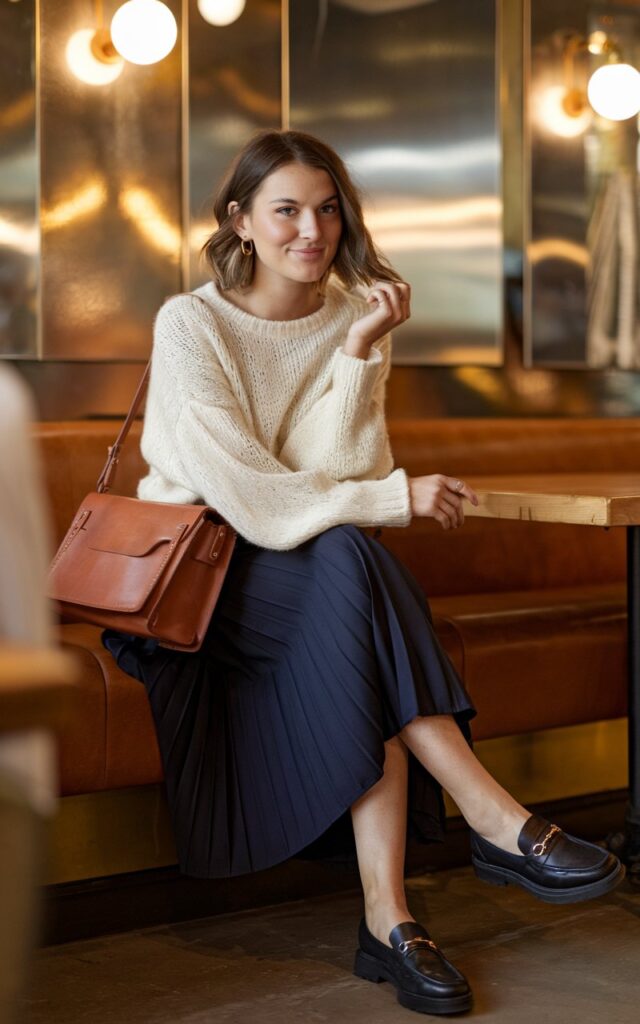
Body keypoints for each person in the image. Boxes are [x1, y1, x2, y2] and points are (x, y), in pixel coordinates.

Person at [102, 130, 624, 1016]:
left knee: (349, 567)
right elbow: (251, 493)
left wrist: (356, 352)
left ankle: (397, 916)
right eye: (287, 210)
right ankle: (490, 826)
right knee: (355, 556)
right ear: (242, 222)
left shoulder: (353, 313)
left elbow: (340, 469)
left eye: (328, 208)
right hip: (202, 575)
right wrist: (392, 498)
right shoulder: (190, 323)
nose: (313, 229)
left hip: (307, 568)